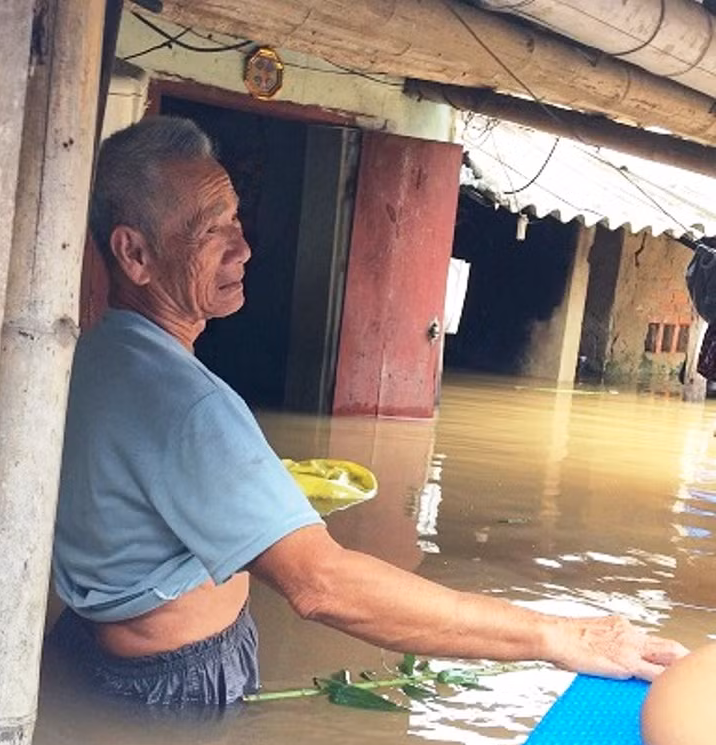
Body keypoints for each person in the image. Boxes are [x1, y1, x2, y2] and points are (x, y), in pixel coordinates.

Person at [51, 115, 688, 708]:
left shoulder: (96, 354)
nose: (244, 248)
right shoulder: (190, 406)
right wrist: (556, 636)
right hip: (172, 685)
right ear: (134, 254)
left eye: (236, 220)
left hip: (94, 650)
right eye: (210, 229)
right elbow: (322, 584)